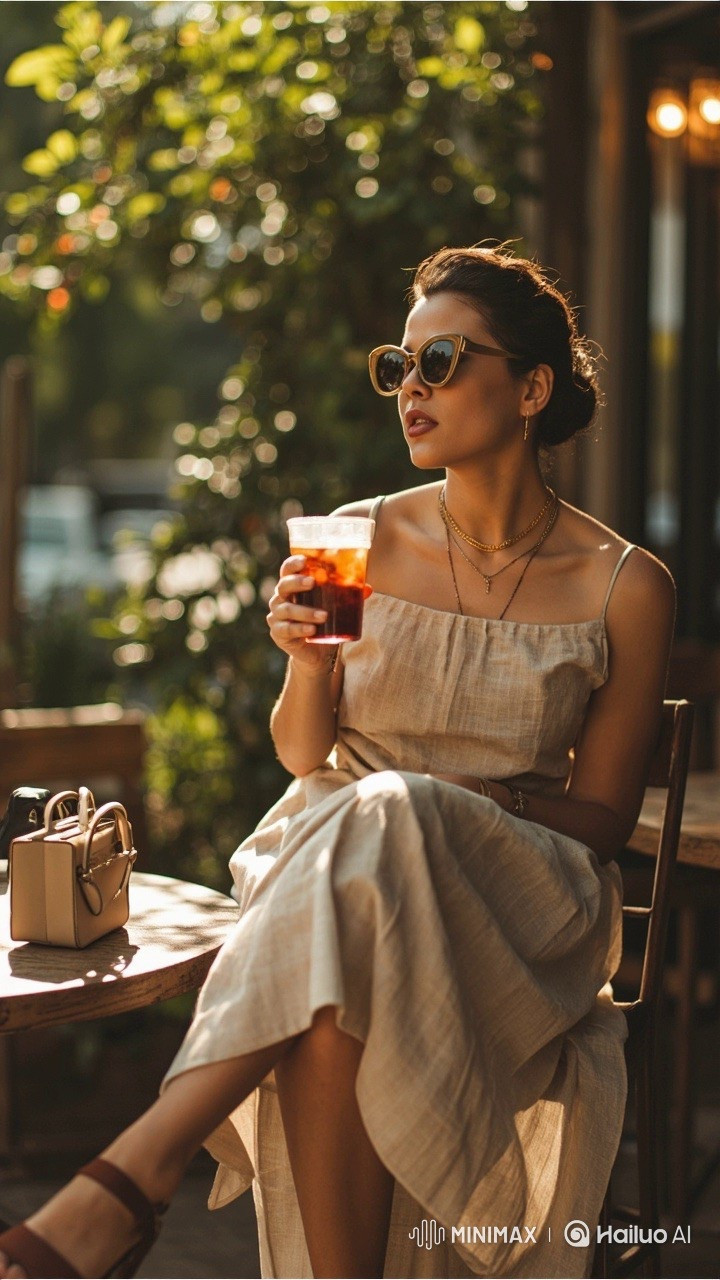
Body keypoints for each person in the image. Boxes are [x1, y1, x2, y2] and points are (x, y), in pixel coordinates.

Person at [0, 244, 675, 1280]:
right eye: (399, 365)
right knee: (339, 964)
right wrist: (304, 666)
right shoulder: (349, 537)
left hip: (518, 897)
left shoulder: (627, 583)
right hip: (333, 867)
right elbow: (303, 751)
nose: (411, 388)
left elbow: (602, 817)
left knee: (388, 811)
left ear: (532, 388)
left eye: (441, 360)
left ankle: (138, 1169)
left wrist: (460, 796)